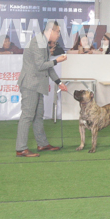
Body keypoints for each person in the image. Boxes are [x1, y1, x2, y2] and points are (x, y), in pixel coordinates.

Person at [15, 21, 68, 157]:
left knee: (38, 116)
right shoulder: (38, 42)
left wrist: (59, 82)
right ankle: (21, 148)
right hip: (31, 84)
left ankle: (42, 144)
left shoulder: (43, 42)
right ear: (51, 31)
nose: (59, 35)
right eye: (58, 32)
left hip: (37, 84)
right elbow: (41, 65)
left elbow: (47, 66)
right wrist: (57, 60)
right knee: (27, 116)